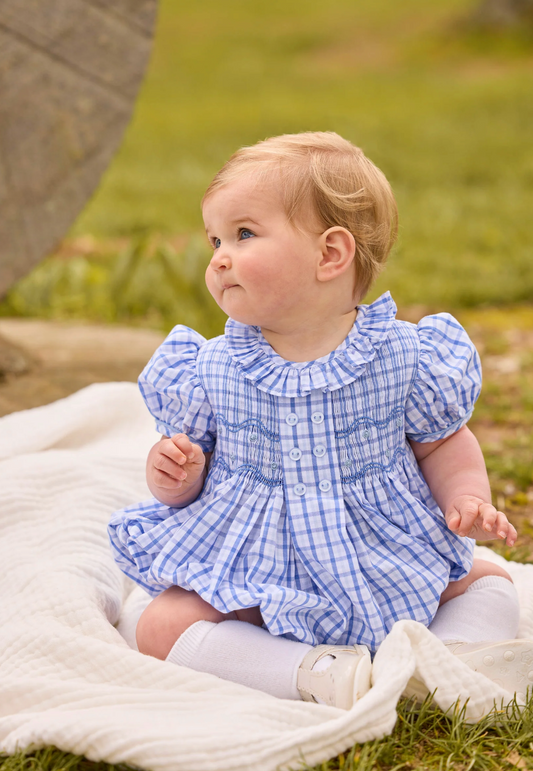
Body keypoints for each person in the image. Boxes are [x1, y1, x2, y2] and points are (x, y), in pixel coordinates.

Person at [109, 131, 529, 709]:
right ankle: (318, 675)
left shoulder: (404, 356)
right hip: (260, 567)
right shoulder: (210, 368)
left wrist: (467, 498)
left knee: (487, 582)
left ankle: (444, 660)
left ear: (331, 254)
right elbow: (187, 473)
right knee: (161, 624)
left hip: (384, 552)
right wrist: (175, 476)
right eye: (215, 240)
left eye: (244, 234)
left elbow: (441, 443)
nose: (219, 257)